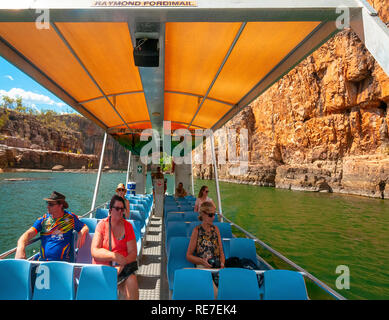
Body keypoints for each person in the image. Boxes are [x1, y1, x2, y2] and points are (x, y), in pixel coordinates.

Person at [15, 191, 89, 261]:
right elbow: (28, 234)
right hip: (43, 262)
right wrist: (20, 247)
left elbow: (84, 227)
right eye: (47, 203)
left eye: (51, 204)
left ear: (61, 205)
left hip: (63, 262)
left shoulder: (70, 218)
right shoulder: (43, 220)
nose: (47, 207)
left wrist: (82, 233)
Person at [91, 195, 139, 300]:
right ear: (110, 210)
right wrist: (114, 256)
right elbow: (94, 251)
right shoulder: (102, 225)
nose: (120, 211)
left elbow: (133, 253)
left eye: (122, 209)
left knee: (132, 281)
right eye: (117, 208)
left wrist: (122, 264)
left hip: (122, 269)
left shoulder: (128, 227)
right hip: (103, 269)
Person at [186, 201, 225, 269]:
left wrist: (222, 263)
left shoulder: (216, 229)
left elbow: (221, 251)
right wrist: (202, 261)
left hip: (216, 263)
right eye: (210, 215)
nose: (213, 217)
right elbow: (188, 256)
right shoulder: (197, 231)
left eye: (214, 214)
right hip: (203, 265)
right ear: (203, 214)